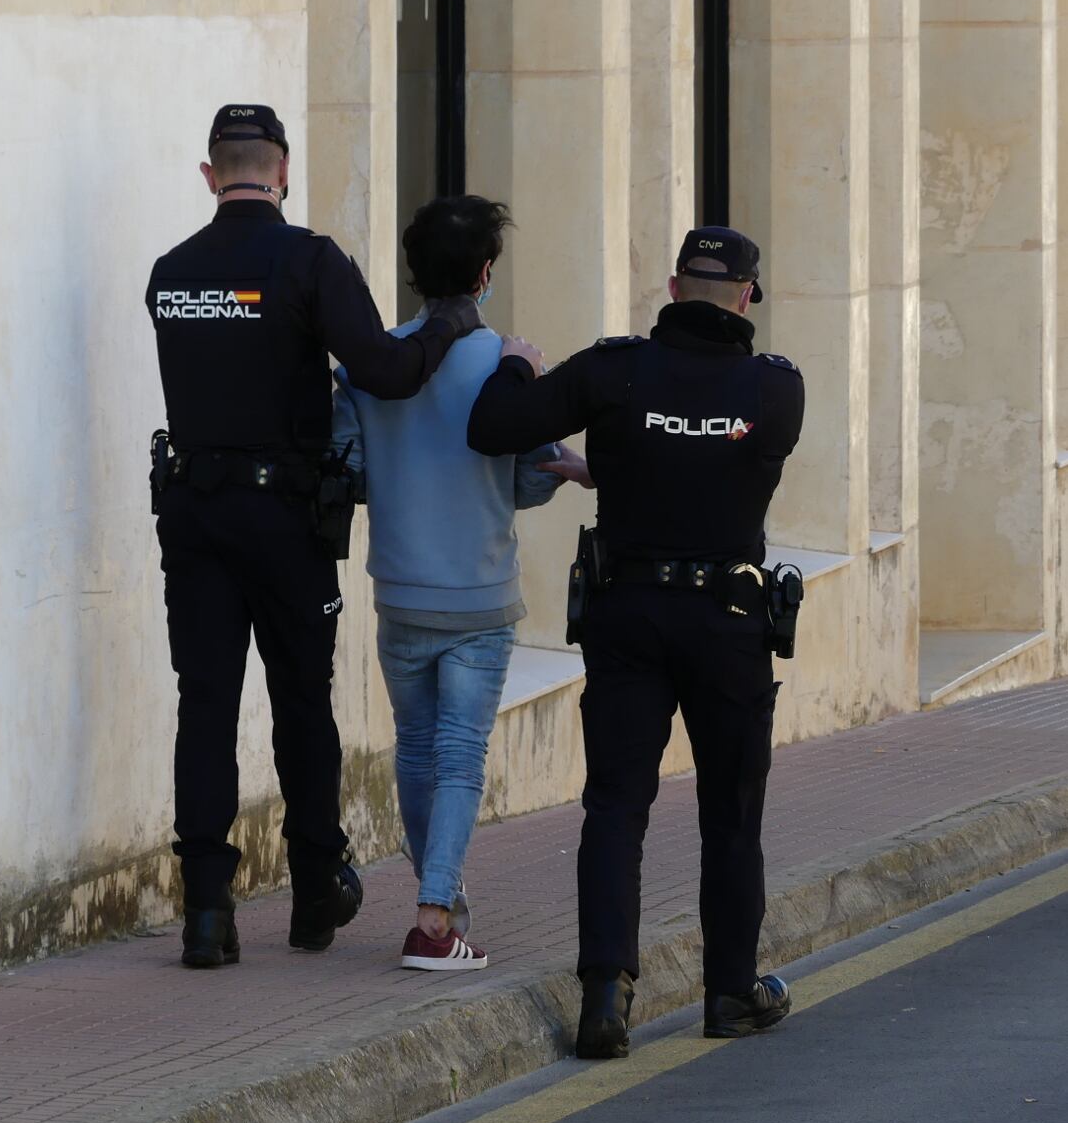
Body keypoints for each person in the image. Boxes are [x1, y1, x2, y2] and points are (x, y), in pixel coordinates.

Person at [145, 104, 485, 969]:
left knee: (206, 704)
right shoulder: (307, 260)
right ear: (284, 171)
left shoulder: (169, 272)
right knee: (302, 703)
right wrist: (451, 322)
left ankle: (208, 914)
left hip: (192, 512)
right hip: (284, 518)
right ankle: (312, 896)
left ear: (210, 174)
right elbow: (385, 371)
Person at [467, 226, 805, 1054]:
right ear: (748, 297)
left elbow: (495, 424)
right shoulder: (775, 389)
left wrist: (518, 360)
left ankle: (604, 1002)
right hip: (728, 624)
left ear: (671, 286)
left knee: (617, 805)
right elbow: (706, 462)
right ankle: (730, 992)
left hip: (629, 617)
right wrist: (622, 463)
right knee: (731, 814)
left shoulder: (614, 369)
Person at [331, 195, 592, 972]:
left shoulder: (374, 365)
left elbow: (353, 474)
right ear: (486, 273)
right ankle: (435, 918)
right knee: (459, 756)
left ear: (414, 274)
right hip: (479, 594)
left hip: (400, 588)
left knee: (417, 749)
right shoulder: (503, 361)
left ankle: (440, 896)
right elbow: (535, 481)